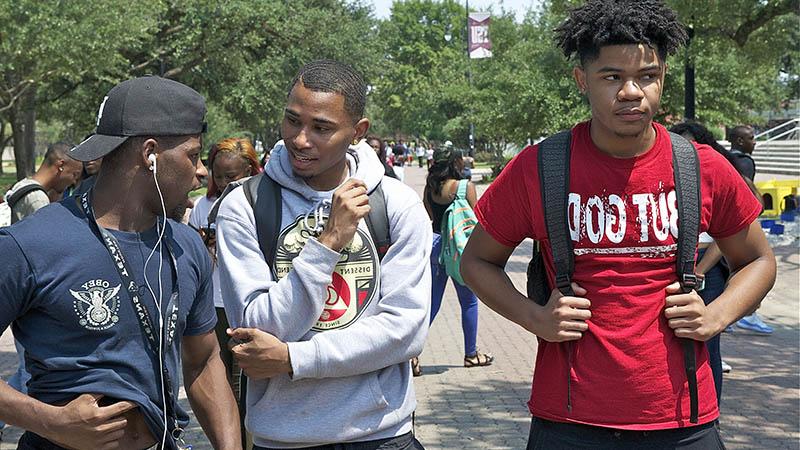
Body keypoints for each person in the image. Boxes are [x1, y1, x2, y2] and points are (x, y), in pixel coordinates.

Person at [460, 1, 776, 448]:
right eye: (612, 77)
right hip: (568, 422)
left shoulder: (701, 166)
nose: (631, 91)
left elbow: (759, 260)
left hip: (682, 421)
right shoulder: (540, 167)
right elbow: (476, 261)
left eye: (646, 75)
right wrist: (536, 318)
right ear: (582, 80)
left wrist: (716, 315)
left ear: (662, 78)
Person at [0, 76, 241, 450]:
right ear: (150, 154)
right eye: (192, 155)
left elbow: (205, 360)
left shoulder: (187, 246)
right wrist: (51, 421)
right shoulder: (30, 244)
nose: (201, 172)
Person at [215, 59, 430, 449]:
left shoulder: (396, 204)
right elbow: (256, 329)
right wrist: (328, 242)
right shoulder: (245, 205)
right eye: (292, 120)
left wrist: (295, 359)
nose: (300, 139)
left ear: (358, 132)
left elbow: (404, 332)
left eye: (321, 128)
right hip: (283, 438)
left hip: (380, 434)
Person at [189, 137, 261, 387]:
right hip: (216, 302)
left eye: (230, 176)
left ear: (249, 171)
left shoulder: (261, 204)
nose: (222, 183)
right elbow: (198, 266)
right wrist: (206, 245)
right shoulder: (203, 206)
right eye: (217, 176)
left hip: (251, 302)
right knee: (221, 377)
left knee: (249, 376)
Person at [419, 147, 492, 376]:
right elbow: (475, 218)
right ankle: (471, 354)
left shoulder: (430, 188)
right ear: (456, 161)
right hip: (460, 249)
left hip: (436, 247)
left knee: (432, 303)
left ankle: (411, 354)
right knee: (468, 302)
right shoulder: (464, 186)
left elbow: (430, 217)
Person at [727, 125, 773, 335]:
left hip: (731, 222)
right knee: (751, 265)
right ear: (738, 140)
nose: (754, 142)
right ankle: (748, 315)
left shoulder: (727, 158)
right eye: (750, 138)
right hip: (742, 221)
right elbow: (745, 192)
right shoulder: (744, 162)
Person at [4, 141, 83, 224]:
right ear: (61, 165)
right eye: (74, 174)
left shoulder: (22, 184)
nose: (74, 181)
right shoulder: (38, 199)